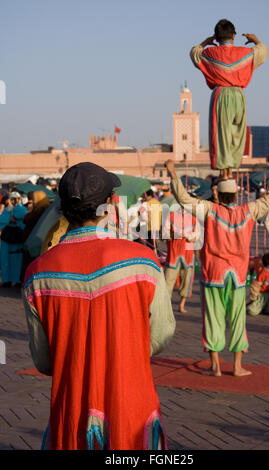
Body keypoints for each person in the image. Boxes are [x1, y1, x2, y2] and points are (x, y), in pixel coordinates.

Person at [23, 162, 175, 450]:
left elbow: (44, 361)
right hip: (132, 411)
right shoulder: (143, 262)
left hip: (72, 418)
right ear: (110, 205)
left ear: (62, 207)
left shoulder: (37, 275)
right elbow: (161, 334)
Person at [165, 153, 269, 377]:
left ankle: (215, 366)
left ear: (220, 193)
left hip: (213, 274)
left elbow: (184, 199)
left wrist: (172, 171)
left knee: (213, 318)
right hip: (236, 276)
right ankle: (237, 367)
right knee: (238, 317)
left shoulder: (209, 210)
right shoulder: (248, 211)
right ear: (236, 194)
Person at [190, 19, 268, 180]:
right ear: (234, 35)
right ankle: (231, 170)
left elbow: (194, 53)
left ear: (217, 38)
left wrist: (205, 42)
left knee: (221, 134)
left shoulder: (210, 53)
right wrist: (256, 40)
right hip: (239, 95)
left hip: (221, 94)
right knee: (236, 133)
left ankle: (223, 173)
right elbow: (263, 51)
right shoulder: (246, 53)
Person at [163, 206, 199, 313]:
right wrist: (173, 235)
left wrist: (190, 236)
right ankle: (166, 305)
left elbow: (197, 234)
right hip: (174, 251)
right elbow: (165, 233)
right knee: (168, 279)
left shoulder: (193, 218)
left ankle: (181, 304)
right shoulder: (171, 216)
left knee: (187, 280)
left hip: (188, 251)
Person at [0, 192, 27, 287]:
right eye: (13, 199)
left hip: (12, 238)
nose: (14, 201)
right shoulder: (10, 210)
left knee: (15, 259)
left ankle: (13, 280)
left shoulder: (12, 210)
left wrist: (13, 219)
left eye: (16, 199)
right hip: (11, 238)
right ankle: (9, 279)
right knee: (8, 259)